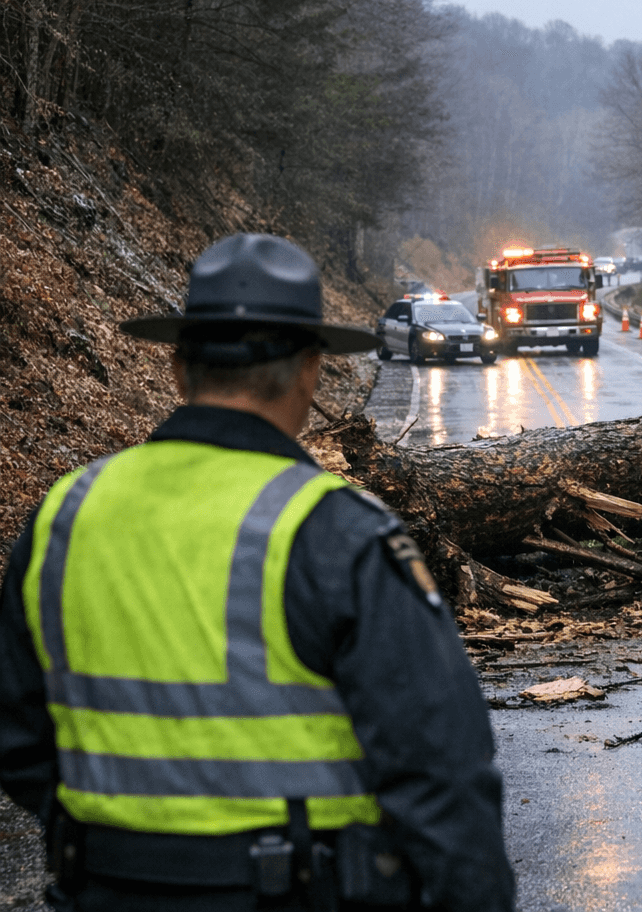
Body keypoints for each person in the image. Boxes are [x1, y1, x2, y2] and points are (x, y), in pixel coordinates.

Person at [0, 234, 517, 910]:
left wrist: (114, 848)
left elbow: (17, 736)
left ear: (179, 370)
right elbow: (441, 776)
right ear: (309, 372)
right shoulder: (339, 536)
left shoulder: (63, 518)